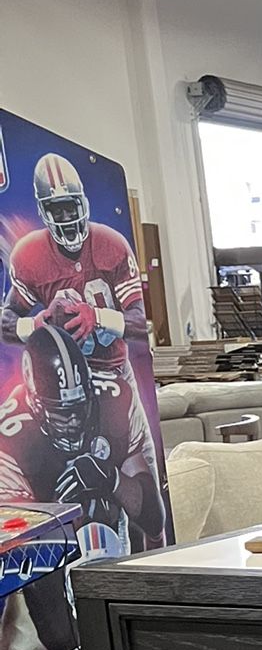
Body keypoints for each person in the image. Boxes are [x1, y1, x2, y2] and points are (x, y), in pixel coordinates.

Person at [0, 326, 165, 558]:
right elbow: (16, 548)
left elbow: (154, 520)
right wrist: (57, 510)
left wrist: (112, 479)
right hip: (52, 553)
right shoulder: (9, 439)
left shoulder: (114, 398)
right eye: (61, 413)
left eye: (77, 409)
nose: (73, 421)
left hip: (115, 541)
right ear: (34, 400)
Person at [1, 154, 147, 369]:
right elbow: (6, 322)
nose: (66, 217)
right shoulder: (30, 254)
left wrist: (98, 317)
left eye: (70, 207)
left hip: (115, 368)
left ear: (83, 204)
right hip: (63, 373)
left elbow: (140, 321)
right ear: (43, 212)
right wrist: (35, 326)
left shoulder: (111, 244)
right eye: (56, 210)